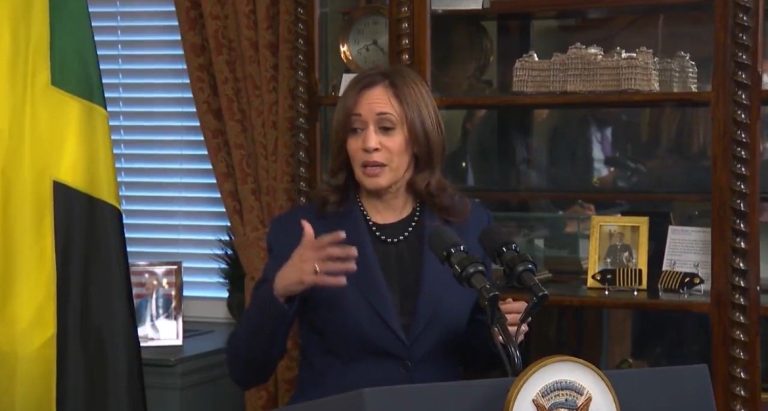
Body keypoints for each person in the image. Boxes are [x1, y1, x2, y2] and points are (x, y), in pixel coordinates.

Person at [226, 65, 529, 404]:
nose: (369, 144)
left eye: (386, 128)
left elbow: (471, 358)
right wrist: (280, 289)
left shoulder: (467, 226)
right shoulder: (305, 230)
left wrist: (498, 335)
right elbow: (245, 369)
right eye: (356, 130)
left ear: (418, 138)